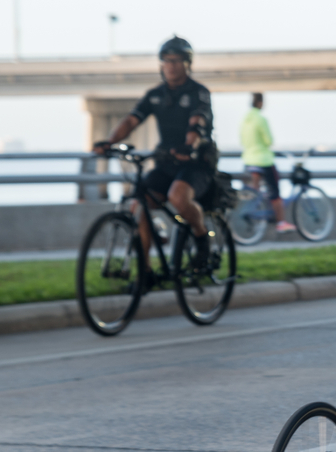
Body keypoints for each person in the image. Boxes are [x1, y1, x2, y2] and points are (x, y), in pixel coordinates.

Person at [93, 36, 217, 278]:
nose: (171, 65)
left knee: (178, 197)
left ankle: (202, 237)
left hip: (196, 164)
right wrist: (110, 142)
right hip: (166, 162)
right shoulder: (155, 95)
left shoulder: (198, 92)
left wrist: (188, 145)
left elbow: (197, 120)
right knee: (138, 205)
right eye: (166, 61)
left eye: (177, 61)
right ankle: (146, 272)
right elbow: (132, 119)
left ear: (187, 64)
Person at [241, 93, 295, 233]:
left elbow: (242, 140)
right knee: (275, 192)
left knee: (255, 190)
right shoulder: (260, 119)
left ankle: (256, 212)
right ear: (260, 102)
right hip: (263, 160)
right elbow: (269, 141)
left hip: (248, 159)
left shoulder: (245, 120)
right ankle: (281, 223)